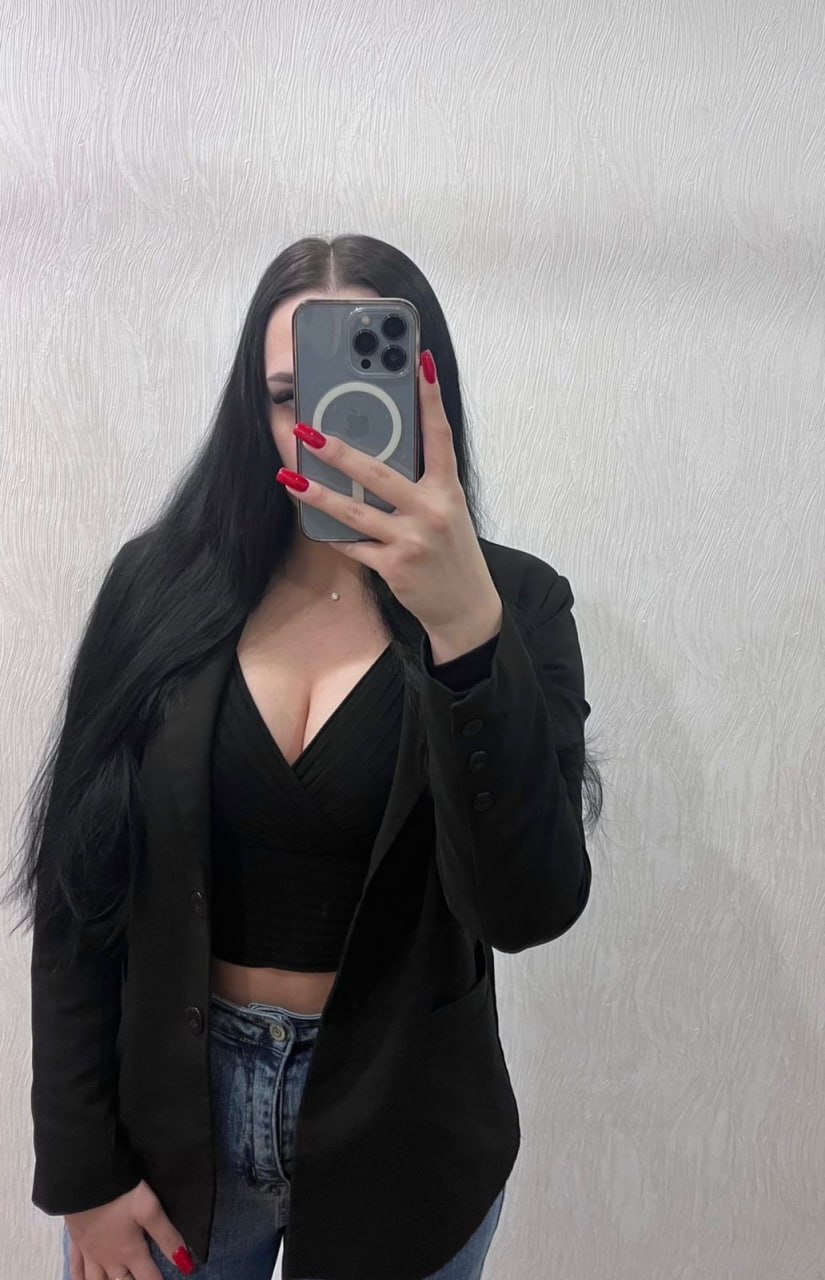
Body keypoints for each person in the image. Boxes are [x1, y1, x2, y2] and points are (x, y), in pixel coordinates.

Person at [6, 234, 602, 1279]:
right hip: (170, 1120)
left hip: (404, 1134)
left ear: (428, 398)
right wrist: (81, 1170)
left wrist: (464, 630)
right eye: (289, 396)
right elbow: (78, 895)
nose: (326, 425)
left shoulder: (516, 602)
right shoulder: (157, 586)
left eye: (367, 391)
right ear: (255, 408)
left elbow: (526, 908)